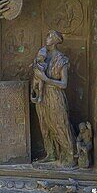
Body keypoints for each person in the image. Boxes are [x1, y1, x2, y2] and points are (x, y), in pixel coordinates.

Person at [31, 29, 75, 165]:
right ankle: (51, 153)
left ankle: (70, 155)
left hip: (55, 95)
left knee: (59, 124)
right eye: (48, 35)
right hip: (42, 96)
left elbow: (64, 84)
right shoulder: (42, 55)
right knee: (44, 125)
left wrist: (46, 79)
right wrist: (34, 89)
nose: (48, 37)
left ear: (56, 41)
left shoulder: (61, 59)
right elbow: (36, 76)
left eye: (50, 36)